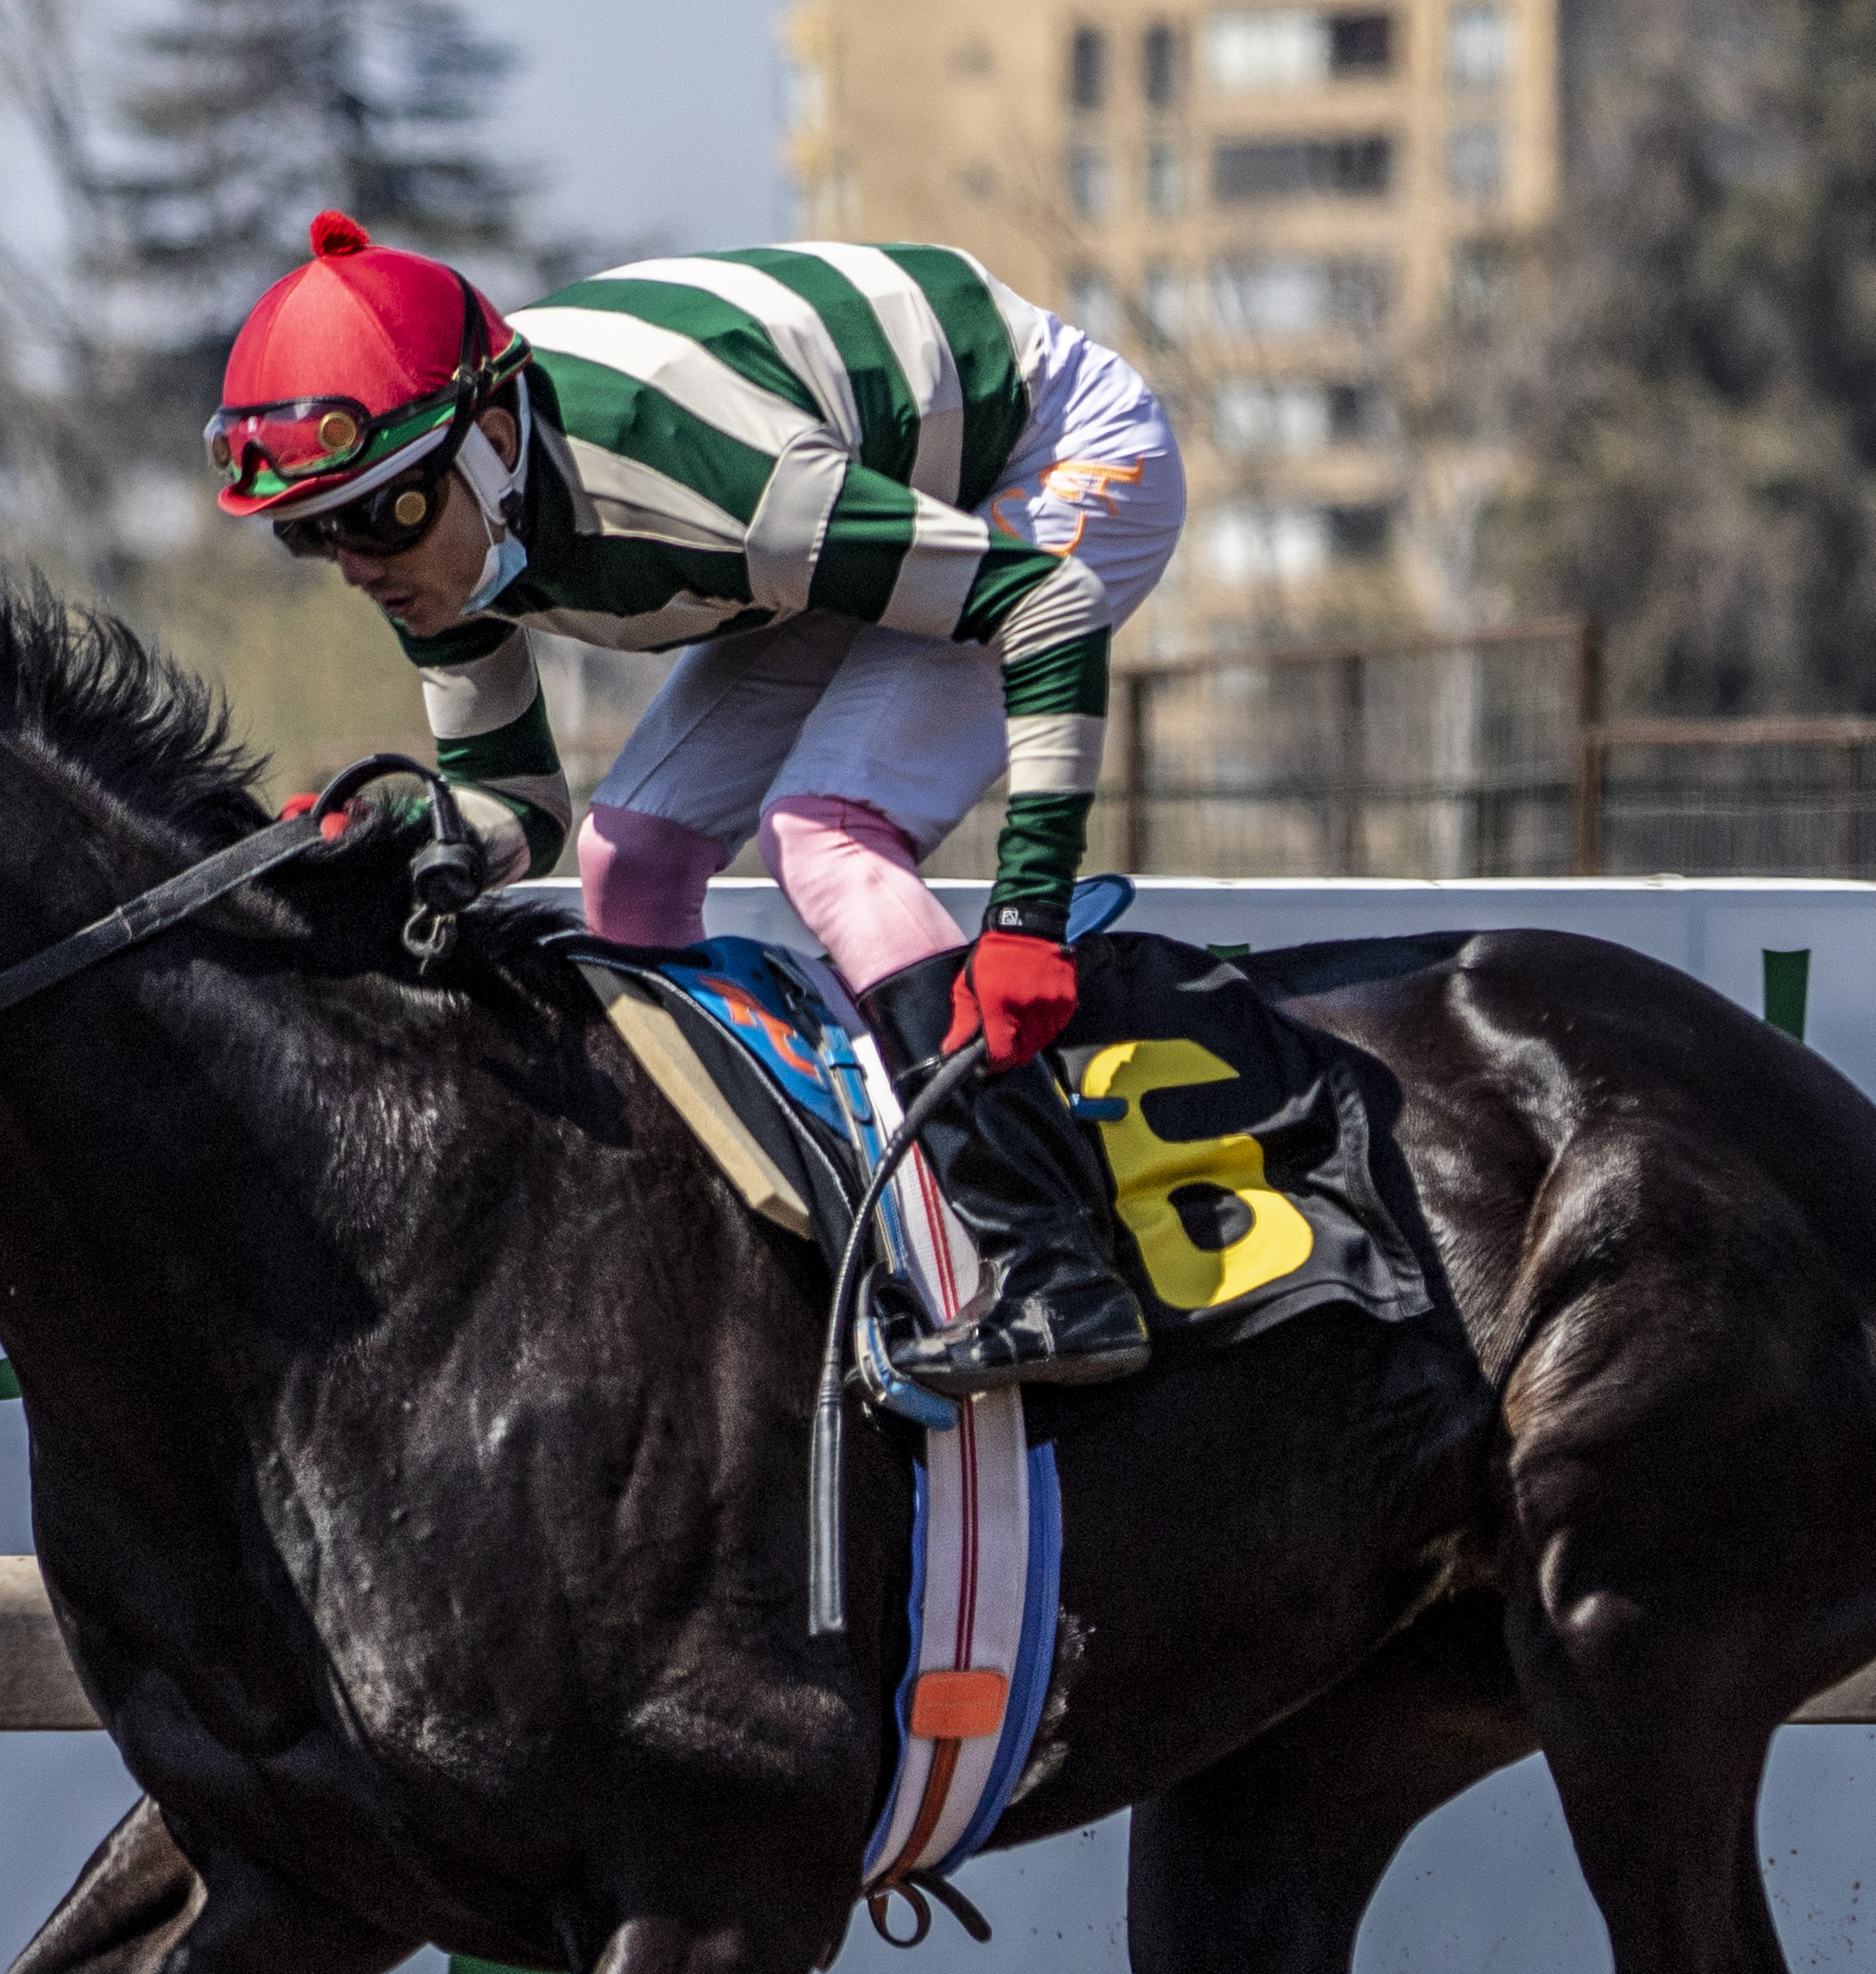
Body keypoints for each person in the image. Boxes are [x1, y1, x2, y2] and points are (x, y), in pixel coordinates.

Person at [207, 213, 1182, 1396]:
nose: (359, 566)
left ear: (495, 442)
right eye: (314, 534)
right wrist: (392, 843)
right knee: (630, 864)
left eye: (379, 517)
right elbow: (519, 808)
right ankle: (715, 1246)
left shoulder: (709, 494)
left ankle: (1055, 1265)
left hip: (1050, 450)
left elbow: (1051, 608)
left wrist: (1027, 919)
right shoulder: (450, 523)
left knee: (825, 835)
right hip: (854, 487)